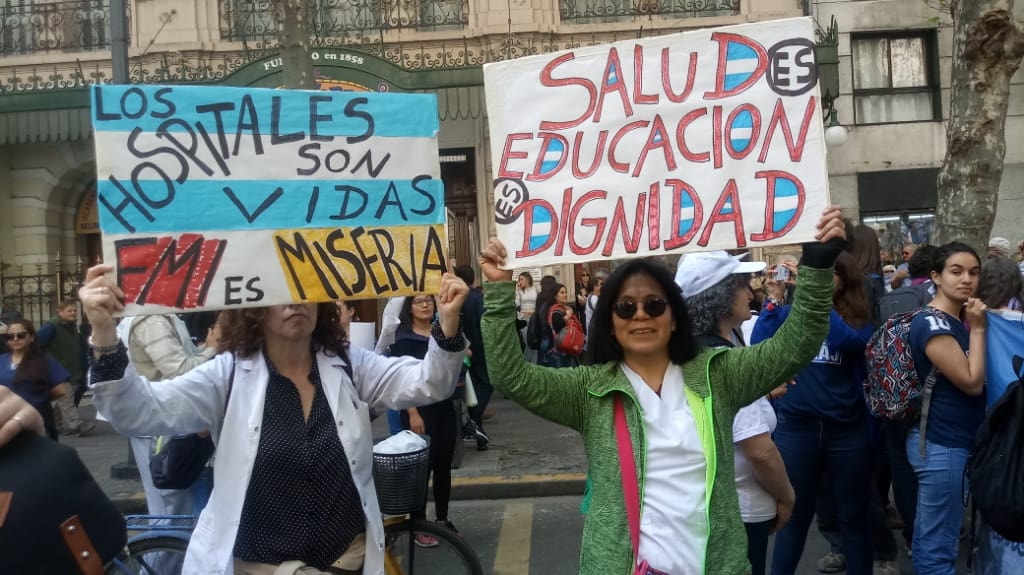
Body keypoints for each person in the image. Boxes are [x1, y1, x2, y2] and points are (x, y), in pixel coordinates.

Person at [478, 206, 847, 574]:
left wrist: (816, 262)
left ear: (674, 318)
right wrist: (497, 291)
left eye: (654, 305)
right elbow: (511, 377)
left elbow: (796, 345)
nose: (641, 314)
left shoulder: (718, 374)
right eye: (625, 307)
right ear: (609, 322)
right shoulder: (589, 390)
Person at [81, 264, 469, 574]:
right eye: (278, 294)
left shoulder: (349, 365)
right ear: (255, 306)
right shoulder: (227, 376)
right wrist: (103, 332)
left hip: (347, 561)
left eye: (305, 291)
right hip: (259, 565)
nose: (294, 303)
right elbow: (137, 411)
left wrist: (448, 322)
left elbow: (429, 382)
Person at [753, 251, 877, 575]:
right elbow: (759, 345)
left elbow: (848, 342)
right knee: (793, 517)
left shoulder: (858, 317)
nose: (821, 280)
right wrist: (774, 299)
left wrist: (816, 298)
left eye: (828, 274)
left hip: (846, 430)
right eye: (814, 273)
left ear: (844, 279)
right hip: (797, 428)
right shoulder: (792, 314)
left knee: (853, 516)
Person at [678, 251, 792, 575]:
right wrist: (787, 496)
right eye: (742, 284)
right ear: (719, 297)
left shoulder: (693, 351)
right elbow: (760, 452)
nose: (750, 291)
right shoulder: (720, 361)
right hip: (740, 511)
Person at [905, 242, 987, 575]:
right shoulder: (933, 325)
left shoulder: (951, 320)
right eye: (956, 271)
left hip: (946, 442)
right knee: (938, 546)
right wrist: (979, 329)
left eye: (973, 272)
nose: (966, 279)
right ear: (936, 277)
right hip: (942, 445)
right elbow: (971, 381)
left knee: (935, 537)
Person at [118, 312, 221, 519]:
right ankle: (161, 550)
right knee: (170, 508)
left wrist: (204, 348)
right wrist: (213, 347)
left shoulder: (161, 317)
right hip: (159, 422)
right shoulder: (152, 320)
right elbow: (180, 371)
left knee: (171, 505)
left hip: (160, 417)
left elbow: (178, 360)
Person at [387, 295, 463, 546]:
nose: (425, 305)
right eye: (418, 301)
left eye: (429, 301)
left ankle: (443, 519)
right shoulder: (403, 340)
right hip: (418, 411)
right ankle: (417, 523)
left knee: (443, 465)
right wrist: (412, 413)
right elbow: (401, 380)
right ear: (409, 308)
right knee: (421, 468)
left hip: (443, 408)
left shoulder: (440, 333)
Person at [0, 319, 71, 440]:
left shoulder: (45, 360)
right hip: (5, 418)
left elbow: (61, 389)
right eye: (10, 336)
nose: (15, 339)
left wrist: (39, 397)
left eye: (21, 335)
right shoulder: (1, 360)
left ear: (31, 337)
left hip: (36, 417)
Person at [37, 299, 94, 436]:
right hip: (58, 369)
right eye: (69, 311)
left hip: (70, 369)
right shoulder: (51, 326)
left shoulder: (72, 326)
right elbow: (37, 344)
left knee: (64, 399)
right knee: (67, 397)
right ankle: (76, 425)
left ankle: (58, 424)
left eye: (75, 310)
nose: (73, 313)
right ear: (60, 312)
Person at [454, 265, 491, 451]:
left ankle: (475, 426)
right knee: (485, 383)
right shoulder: (477, 298)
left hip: (456, 349)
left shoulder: (453, 297)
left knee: (467, 386)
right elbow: (484, 325)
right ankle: (474, 419)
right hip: (477, 349)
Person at [538, 282, 578, 368]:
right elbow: (557, 325)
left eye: (566, 292)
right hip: (561, 351)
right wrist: (568, 316)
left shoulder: (564, 308)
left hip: (567, 349)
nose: (565, 295)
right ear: (555, 296)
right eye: (562, 293)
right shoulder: (556, 311)